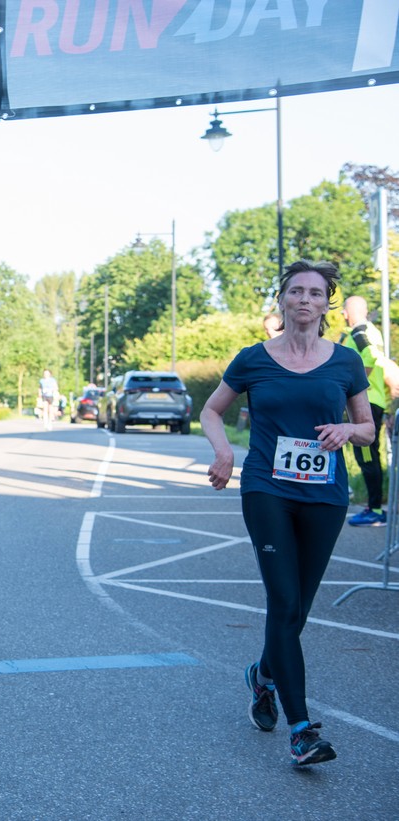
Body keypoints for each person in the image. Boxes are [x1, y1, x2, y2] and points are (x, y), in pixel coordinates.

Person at [201, 260, 372, 766]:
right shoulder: (253, 359)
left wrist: (347, 432)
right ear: (282, 301)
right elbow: (211, 410)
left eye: (315, 293)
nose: (304, 300)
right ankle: (302, 730)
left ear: (326, 304)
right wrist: (224, 453)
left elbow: (367, 427)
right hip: (267, 488)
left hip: (324, 493)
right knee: (282, 597)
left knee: (296, 610)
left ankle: (263, 676)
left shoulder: (345, 362)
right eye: (295, 291)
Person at [340, 295, 388, 527]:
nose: (342, 315)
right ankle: (375, 507)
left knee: (367, 458)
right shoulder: (369, 329)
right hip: (372, 401)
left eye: (343, 310)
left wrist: (358, 385)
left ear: (349, 311)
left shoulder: (359, 330)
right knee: (368, 457)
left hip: (366, 403)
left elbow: (370, 355)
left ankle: (375, 509)